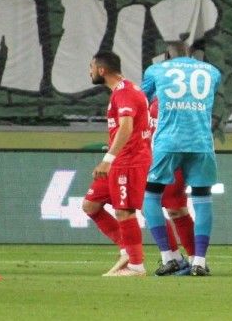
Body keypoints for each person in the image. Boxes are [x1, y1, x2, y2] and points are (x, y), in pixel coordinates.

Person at [141, 38, 221, 277]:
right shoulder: (212, 71)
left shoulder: (156, 70)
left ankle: (169, 257)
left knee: (150, 196)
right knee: (202, 200)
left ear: (167, 56)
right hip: (201, 142)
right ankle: (199, 262)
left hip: (168, 142)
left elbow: (143, 100)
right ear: (192, 55)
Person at [82, 51, 152, 277]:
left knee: (124, 211)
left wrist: (107, 160)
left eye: (92, 67)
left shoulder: (124, 92)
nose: (90, 71)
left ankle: (136, 265)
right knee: (91, 205)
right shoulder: (123, 91)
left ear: (101, 70)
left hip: (129, 160)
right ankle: (126, 249)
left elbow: (126, 127)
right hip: (120, 160)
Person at [150, 97, 195, 276]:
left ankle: (195, 260)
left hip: (172, 159)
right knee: (150, 208)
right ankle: (174, 258)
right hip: (152, 160)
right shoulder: (150, 98)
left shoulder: (181, 100)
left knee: (176, 209)